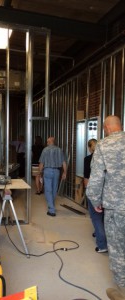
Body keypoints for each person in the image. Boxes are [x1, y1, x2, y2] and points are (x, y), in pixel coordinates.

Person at [86, 115, 125, 300]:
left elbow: (96, 178)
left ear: (107, 128)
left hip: (116, 207)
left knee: (117, 249)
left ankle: (123, 291)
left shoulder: (103, 145)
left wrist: (95, 201)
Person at [84, 138, 107, 253]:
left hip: (94, 191)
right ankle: (98, 233)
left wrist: (87, 191)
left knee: (96, 217)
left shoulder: (88, 159)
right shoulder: (105, 158)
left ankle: (102, 245)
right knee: (103, 216)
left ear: (89, 148)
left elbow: (86, 177)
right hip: (106, 191)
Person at [38, 137, 67, 216]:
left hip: (47, 171)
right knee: (54, 189)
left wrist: (40, 173)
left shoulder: (45, 150)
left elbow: (41, 163)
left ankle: (51, 210)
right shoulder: (59, 150)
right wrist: (65, 172)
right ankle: (51, 205)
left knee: (48, 190)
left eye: (47, 142)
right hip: (57, 171)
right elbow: (64, 162)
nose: (47, 143)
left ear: (48, 142)